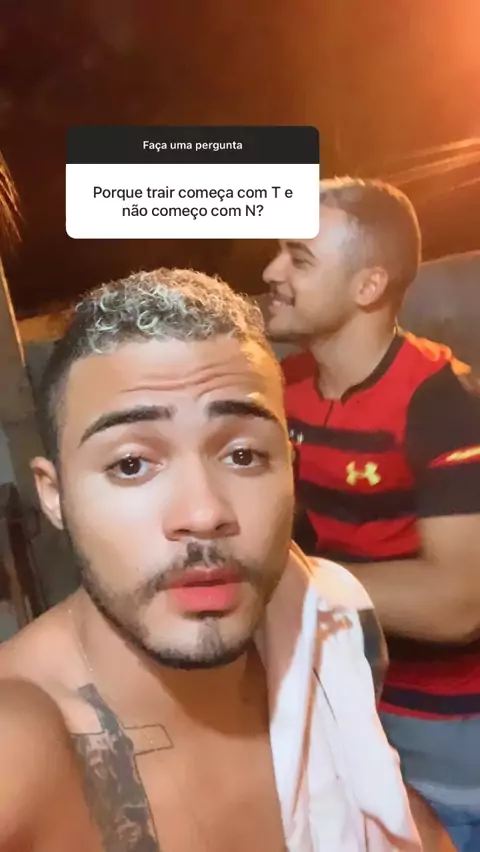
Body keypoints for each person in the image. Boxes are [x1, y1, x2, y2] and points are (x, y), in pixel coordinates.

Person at [0, 268, 424, 852]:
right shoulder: (19, 749)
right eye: (131, 464)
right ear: (55, 496)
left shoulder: (331, 626)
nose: (203, 514)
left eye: (244, 455)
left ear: (290, 468)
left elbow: (385, 798)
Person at [263, 176, 480, 852]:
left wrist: (283, 577)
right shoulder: (286, 391)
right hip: (352, 704)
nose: (270, 272)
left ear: (367, 286)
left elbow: (459, 602)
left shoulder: (441, 401)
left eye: (299, 259)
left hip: (452, 733)